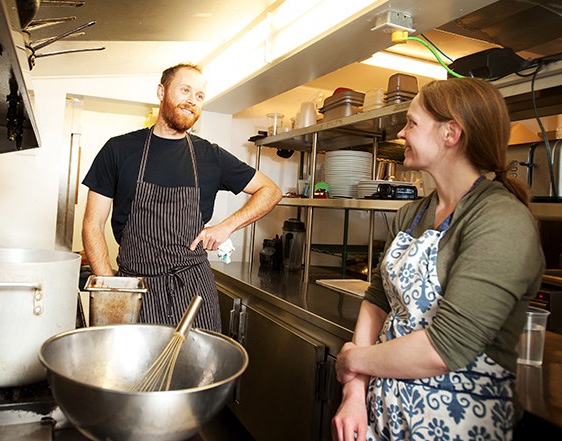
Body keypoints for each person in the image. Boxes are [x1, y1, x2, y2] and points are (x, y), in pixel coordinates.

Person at [331, 78, 545, 441]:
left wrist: (352, 361)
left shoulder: (500, 220)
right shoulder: (412, 213)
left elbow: (446, 346)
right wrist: (355, 394)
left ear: (451, 133)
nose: (401, 133)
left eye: (412, 123)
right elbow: (378, 300)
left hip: (458, 424)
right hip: (384, 415)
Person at [81, 63, 282, 332]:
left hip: (194, 290)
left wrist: (227, 226)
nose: (192, 101)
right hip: (136, 289)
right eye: (185, 90)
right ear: (161, 92)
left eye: (199, 96)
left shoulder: (210, 155)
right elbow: (93, 224)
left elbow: (270, 190)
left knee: (201, 370)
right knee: (140, 371)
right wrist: (110, 285)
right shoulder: (118, 150)